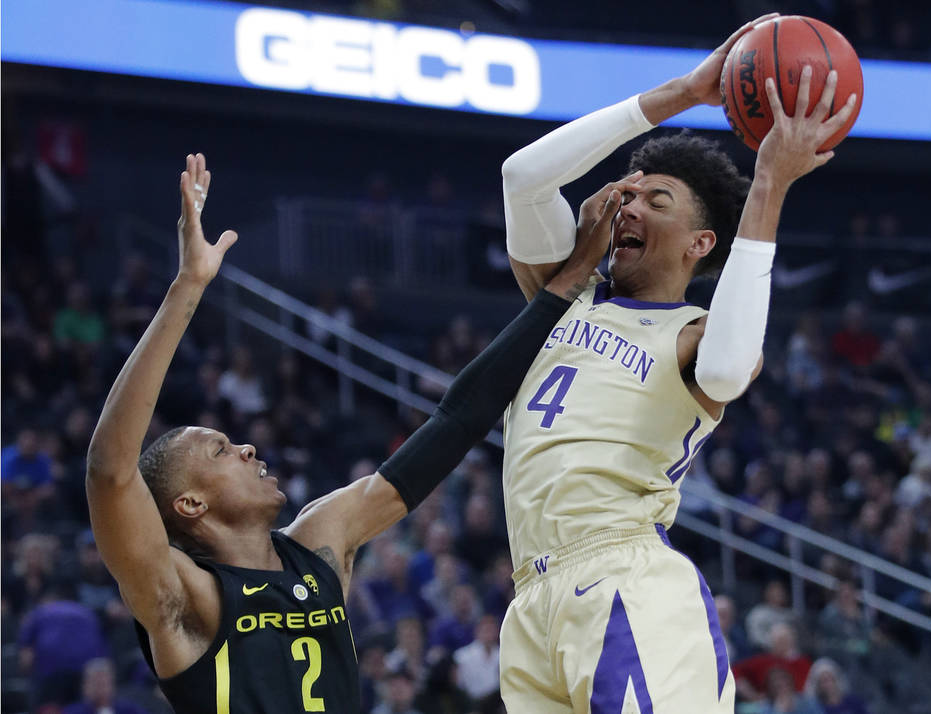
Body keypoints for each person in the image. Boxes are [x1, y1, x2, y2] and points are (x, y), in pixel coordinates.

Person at [85, 154, 626, 714]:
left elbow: (454, 421)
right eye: (220, 450)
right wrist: (188, 286)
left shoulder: (322, 538)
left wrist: (559, 292)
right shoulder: (184, 595)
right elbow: (109, 470)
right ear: (191, 502)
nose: (247, 447)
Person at [496, 12, 857, 712]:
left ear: (699, 243)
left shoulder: (695, 333)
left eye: (655, 201)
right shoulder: (564, 295)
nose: (628, 205)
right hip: (530, 602)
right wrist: (682, 93)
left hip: (623, 577)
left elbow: (725, 372)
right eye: (625, 193)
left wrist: (769, 187)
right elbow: (524, 177)